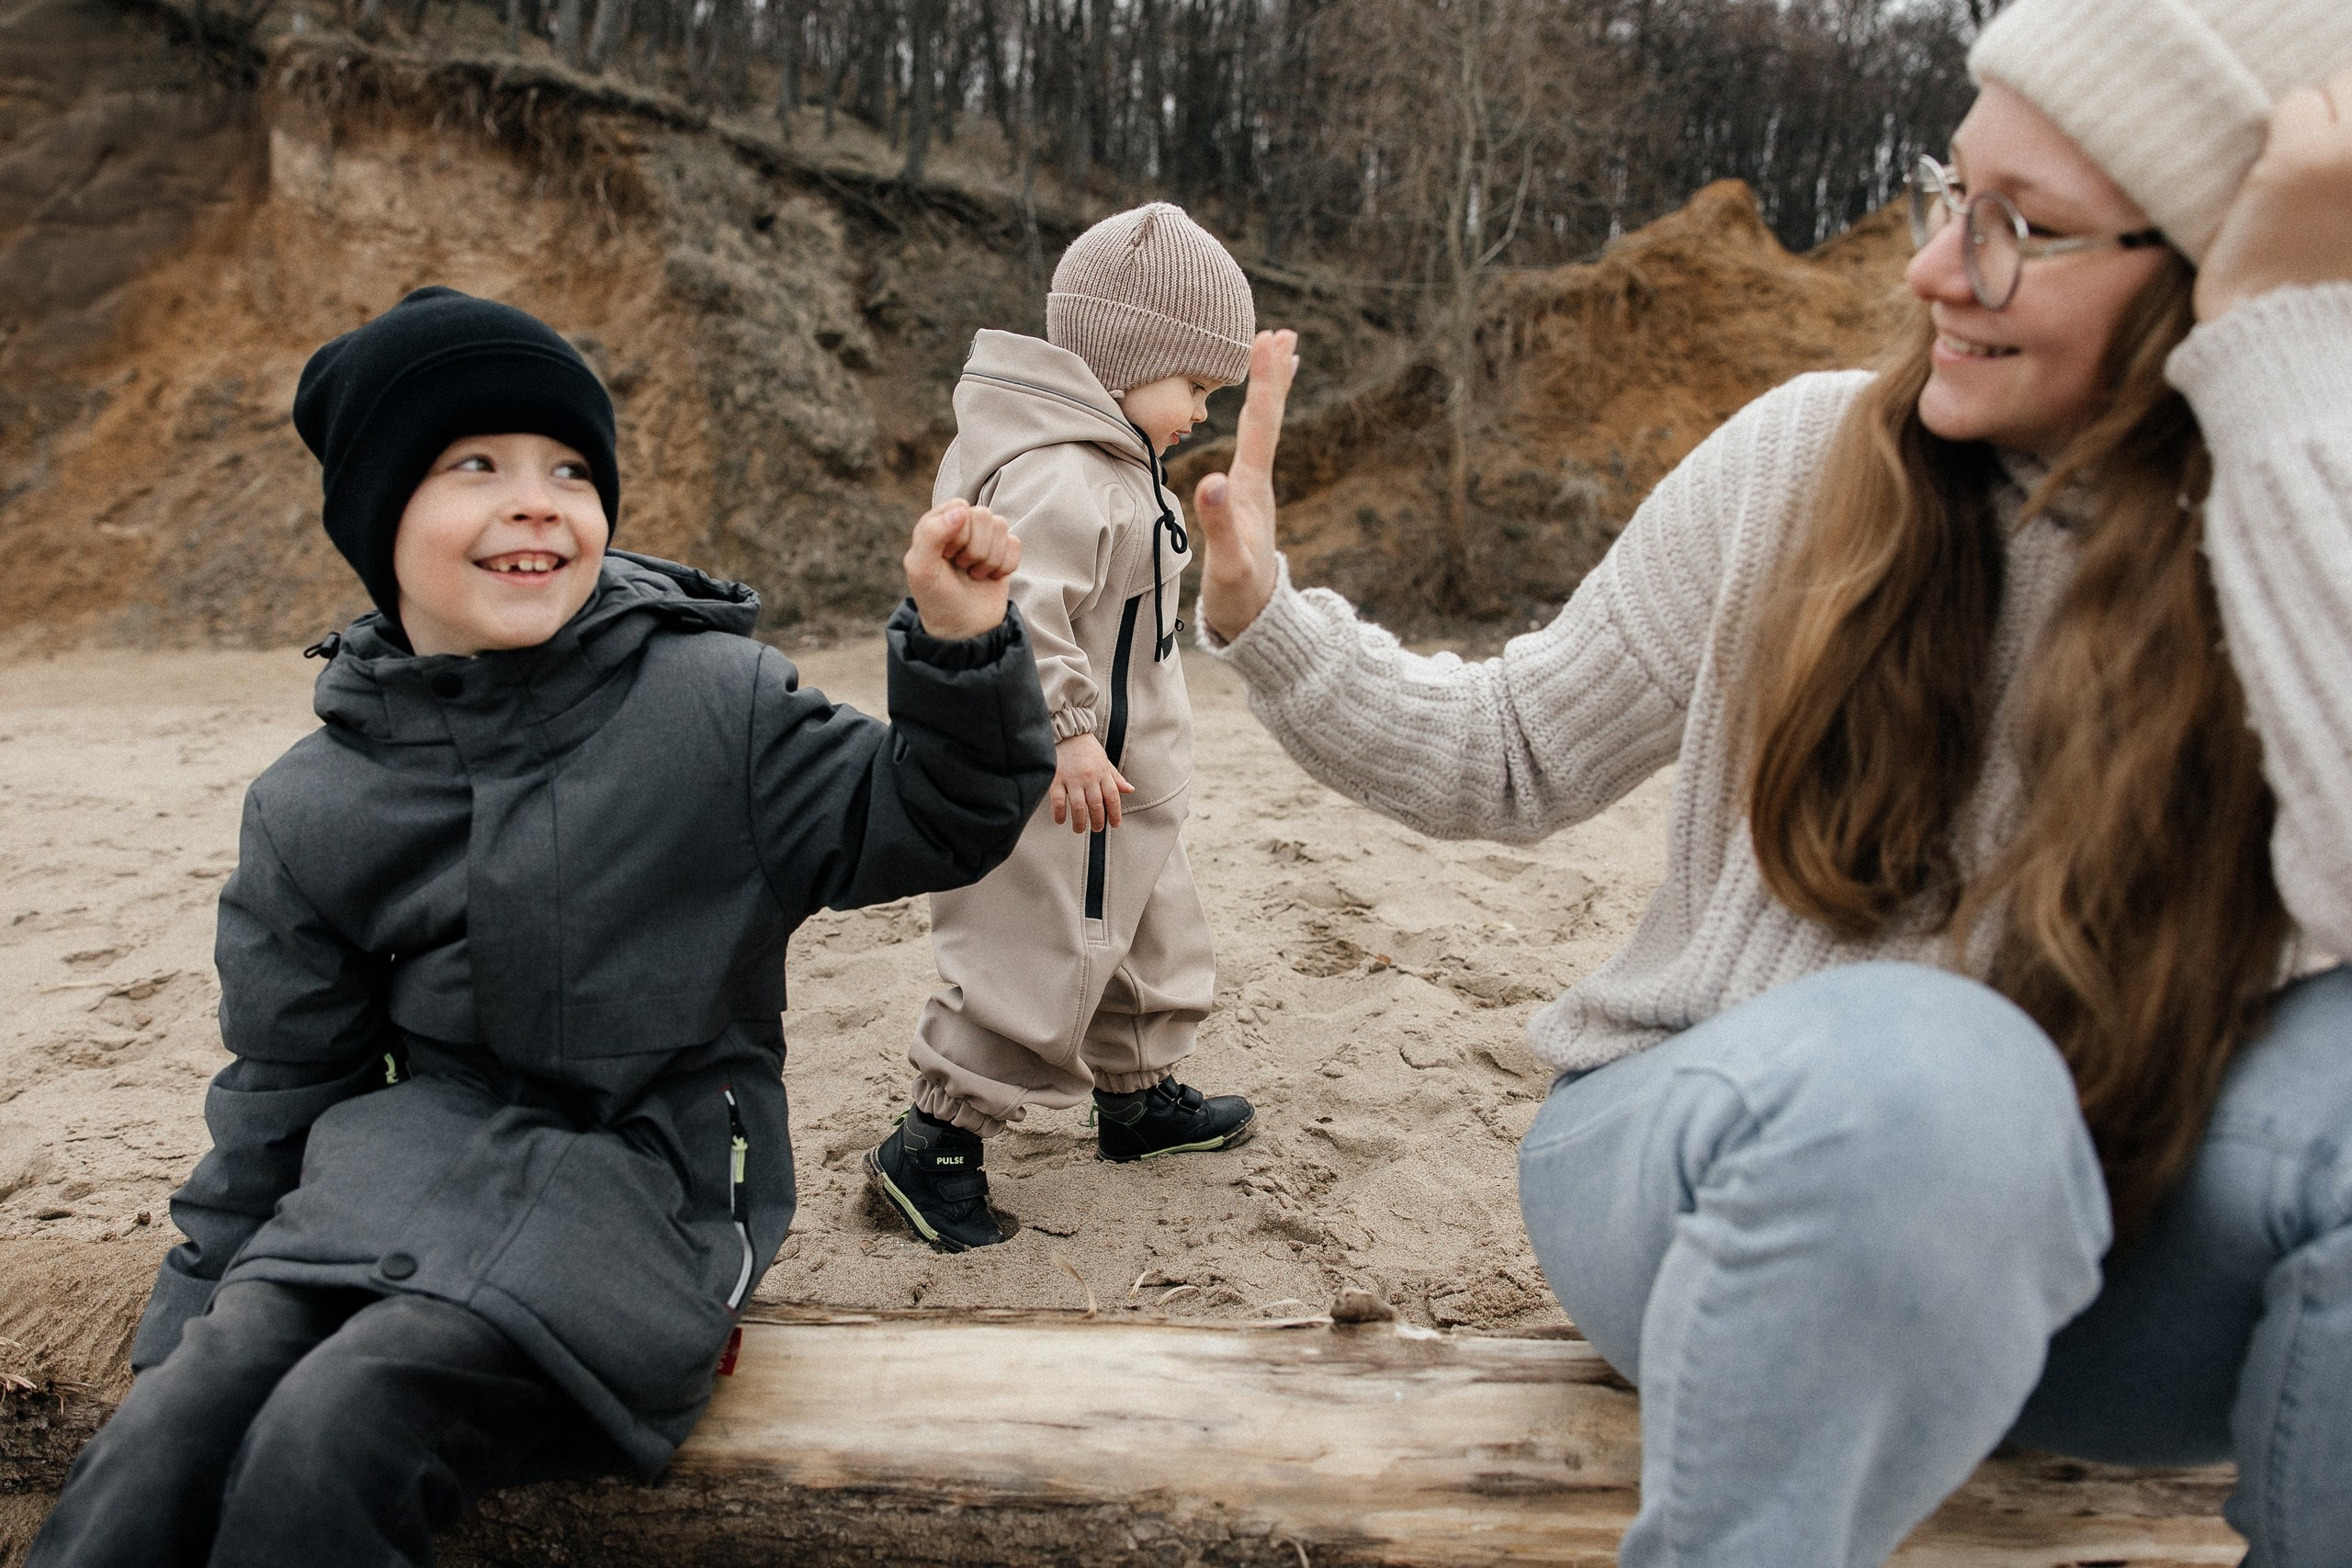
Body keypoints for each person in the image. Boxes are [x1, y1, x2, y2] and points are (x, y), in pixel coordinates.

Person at [1186, 1, 2352, 1559]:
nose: (1940, 267)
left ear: (2218, 268)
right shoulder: (1805, 460)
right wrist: (1269, 617)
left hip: (2101, 1240)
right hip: (1713, 1163)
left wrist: (2282, 376)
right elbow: (1513, 750)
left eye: (2027, 228)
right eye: (1955, 194)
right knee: (1938, 1083)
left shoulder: (2295, 527)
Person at [28, 286, 1057, 1566]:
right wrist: (195, 1317)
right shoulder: (316, 797)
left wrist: (960, 649)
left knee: (335, 1430)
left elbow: (936, 814)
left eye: (570, 468)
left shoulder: (713, 706)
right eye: (475, 465)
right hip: (396, 1175)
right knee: (172, 1430)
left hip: (654, 1184)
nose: (537, 497)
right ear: (376, 520)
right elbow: (286, 1081)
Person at [865, 203, 1259, 1252]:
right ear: (1130, 356)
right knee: (1036, 947)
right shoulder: (1061, 473)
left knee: (1145, 937)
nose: (1201, 413)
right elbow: (1019, 608)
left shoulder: (1117, 460)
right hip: (1062, 783)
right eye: (1197, 387)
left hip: (1129, 783)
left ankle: (1136, 1098)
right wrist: (1075, 731)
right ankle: (934, 1141)